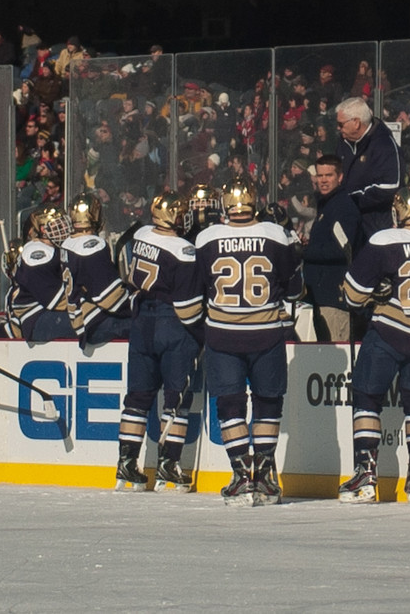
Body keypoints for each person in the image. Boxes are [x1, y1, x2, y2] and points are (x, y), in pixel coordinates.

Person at [195, 176, 303, 507]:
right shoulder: (276, 233)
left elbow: (197, 287)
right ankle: (266, 477)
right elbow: (295, 286)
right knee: (267, 402)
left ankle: (242, 476)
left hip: (223, 332)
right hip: (266, 331)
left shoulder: (207, 237)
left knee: (230, 405)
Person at [338, 188, 410, 504]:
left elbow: (352, 295)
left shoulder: (385, 240)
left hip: (390, 330)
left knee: (366, 397)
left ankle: (366, 476)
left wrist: (374, 295)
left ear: (400, 212)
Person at [115, 192, 201, 492]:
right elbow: (188, 303)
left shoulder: (140, 234)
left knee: (137, 396)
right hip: (171, 320)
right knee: (176, 399)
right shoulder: (185, 249)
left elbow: (122, 254)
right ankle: (168, 465)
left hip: (140, 319)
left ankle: (126, 464)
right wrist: (201, 332)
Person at [59, 193, 131, 349]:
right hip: (95, 322)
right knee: (150, 328)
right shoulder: (91, 246)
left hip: (78, 318)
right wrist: (135, 302)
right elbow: (110, 298)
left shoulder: (68, 243)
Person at [301, 154, 360, 342]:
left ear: (340, 177)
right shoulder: (326, 205)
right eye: (320, 176)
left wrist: (305, 252)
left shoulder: (343, 207)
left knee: (335, 357)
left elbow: (342, 250)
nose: (323, 180)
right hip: (319, 297)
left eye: (329, 175)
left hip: (334, 299)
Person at [335, 96, 403, 241]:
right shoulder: (343, 141)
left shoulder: (384, 144)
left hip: (376, 225)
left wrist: (352, 200)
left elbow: (389, 186)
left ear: (356, 123)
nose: (338, 128)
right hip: (348, 221)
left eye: (341, 124)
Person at [6, 203, 76, 342]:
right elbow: (56, 300)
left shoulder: (53, 249)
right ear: (44, 229)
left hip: (46, 313)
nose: (66, 229)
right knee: (94, 322)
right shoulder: (37, 253)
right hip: (35, 318)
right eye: (59, 226)